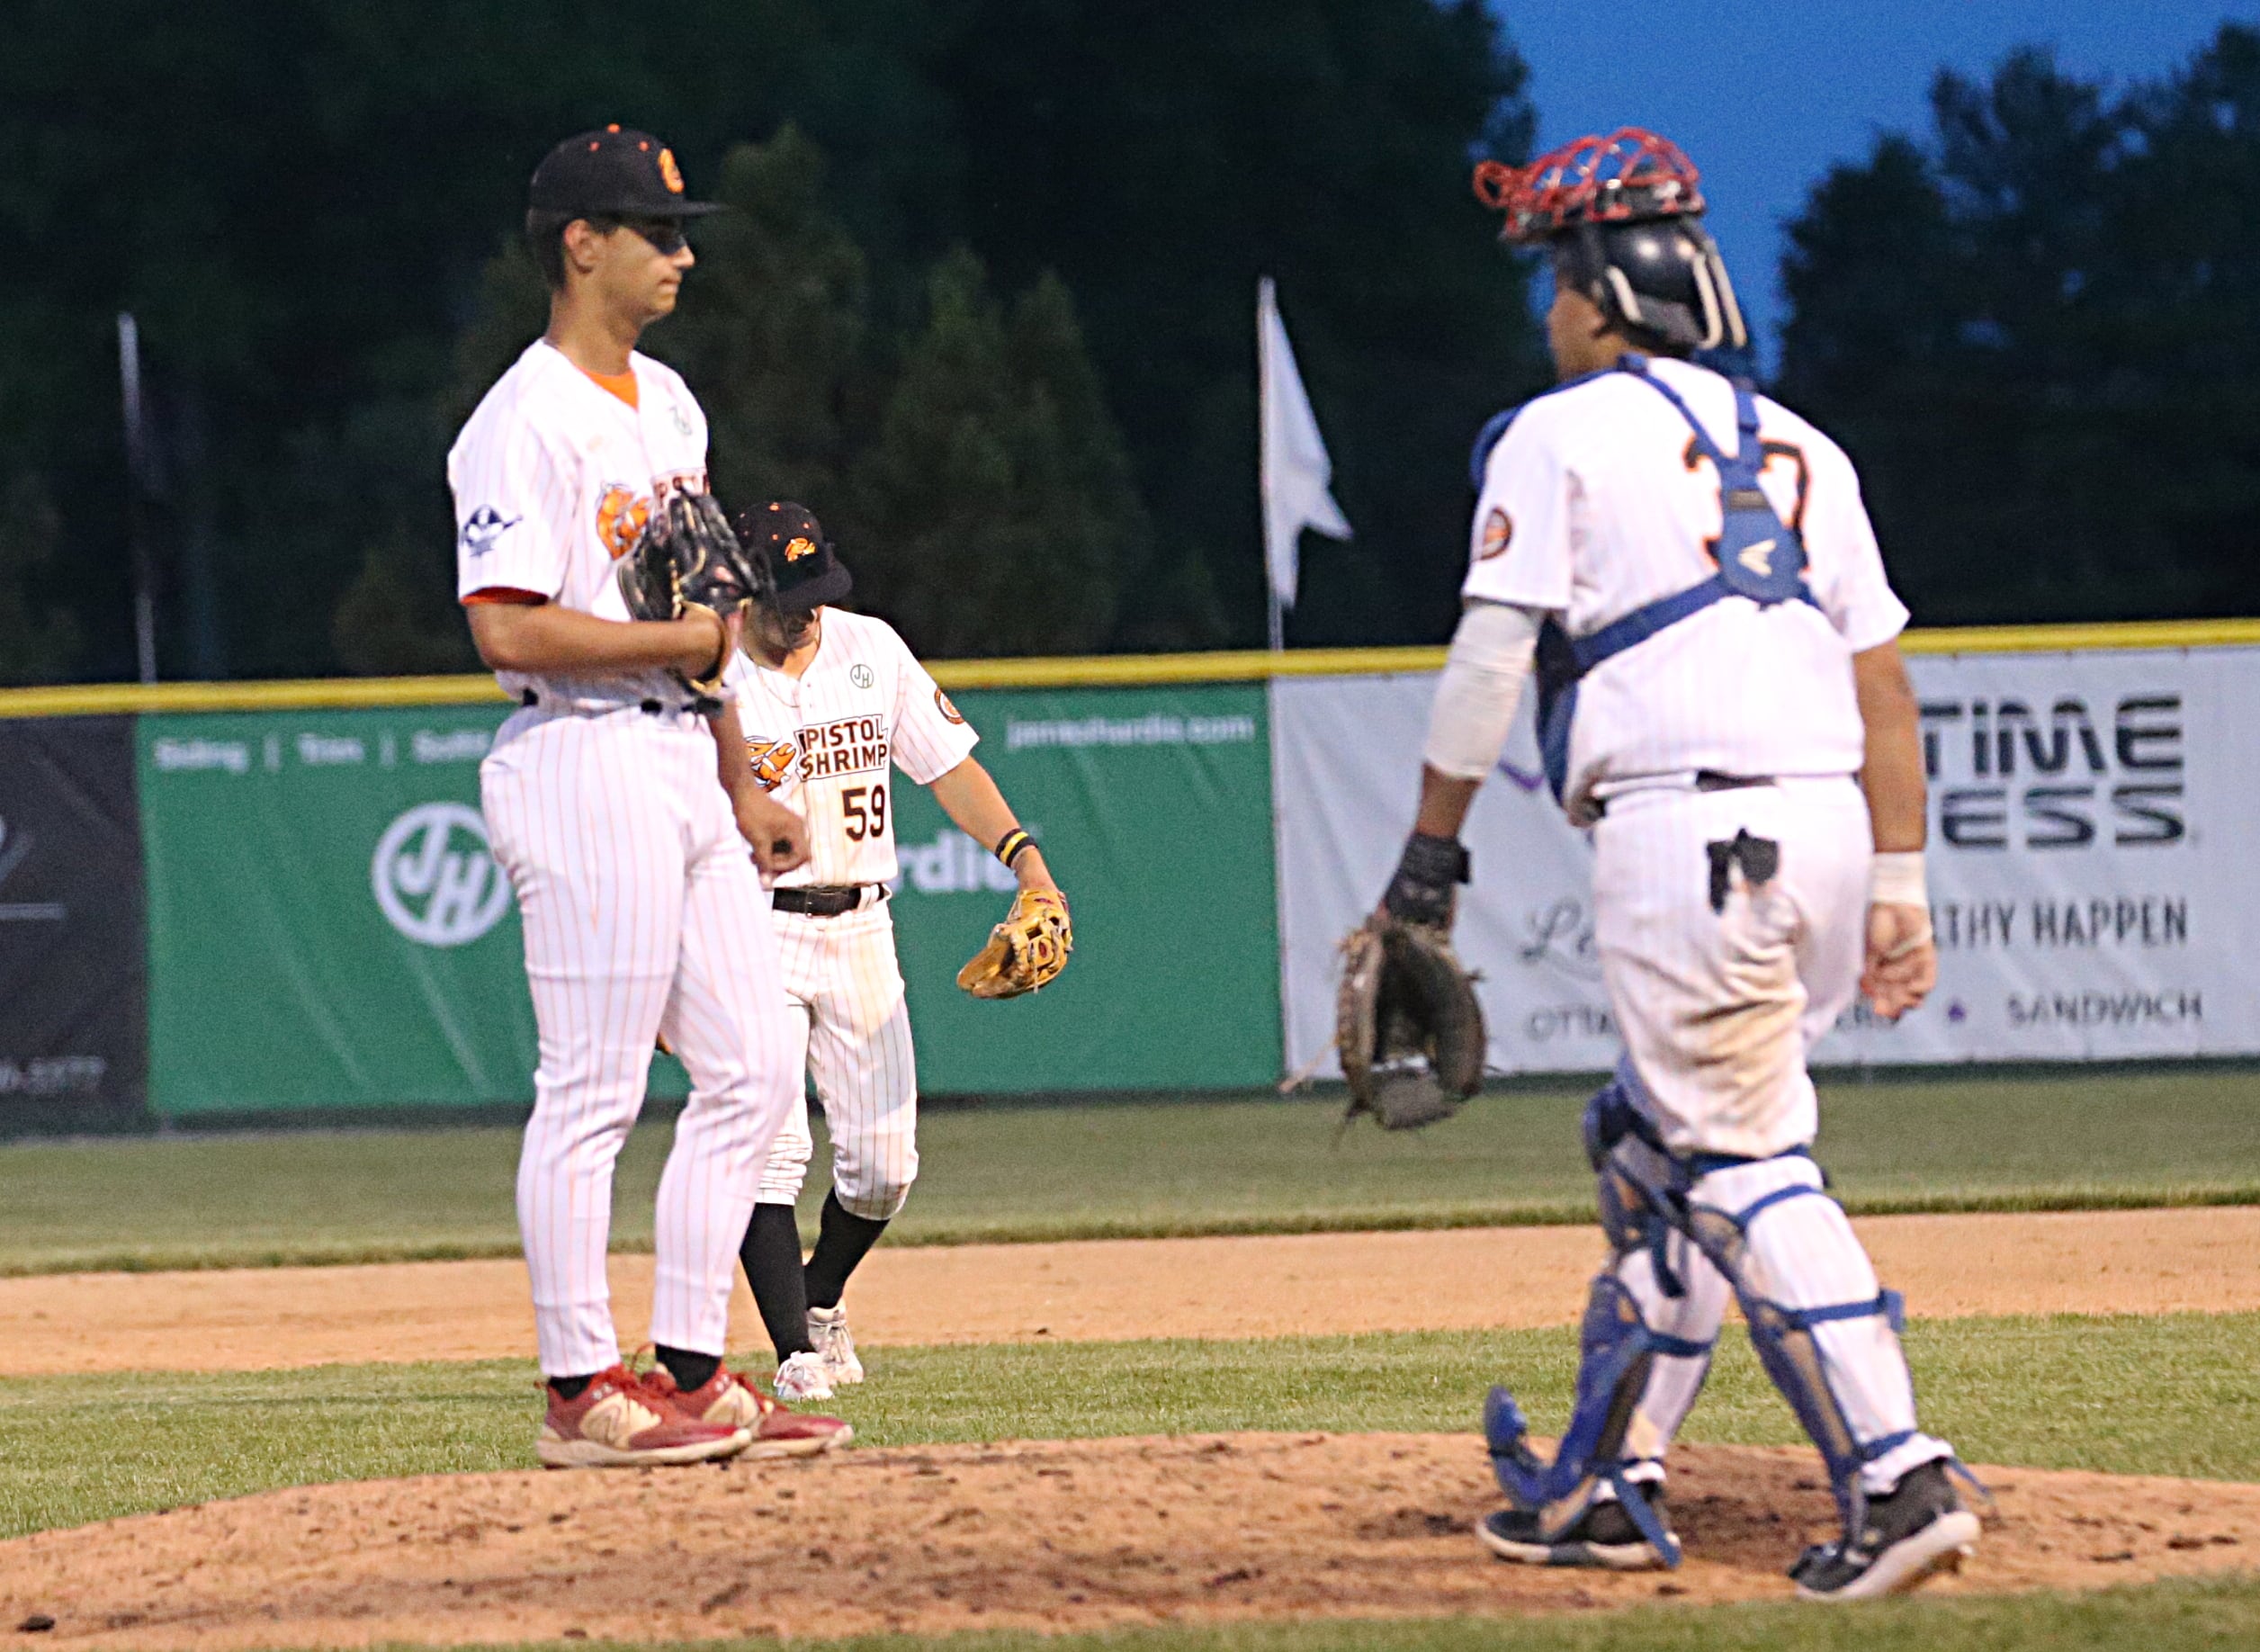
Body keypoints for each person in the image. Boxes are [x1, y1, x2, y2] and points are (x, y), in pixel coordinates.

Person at [1384, 129, 1977, 1597]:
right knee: (1657, 1152)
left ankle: (1896, 1475)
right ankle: (1603, 1479)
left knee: (1732, 1157)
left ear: (1606, 291)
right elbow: (1883, 690)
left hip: (1688, 829)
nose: (1546, 312)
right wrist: (1898, 889)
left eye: (1555, 284)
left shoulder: (1556, 429)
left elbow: (1485, 663)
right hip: (1826, 828)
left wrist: (1423, 861)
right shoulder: (1804, 446)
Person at [450, 126, 847, 1468]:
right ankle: (579, 1388)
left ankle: (689, 1370)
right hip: (579, 756)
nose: (681, 254)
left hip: (682, 757)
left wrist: (740, 774)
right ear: (581, 243)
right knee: (595, 1091)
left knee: (753, 1067)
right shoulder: (522, 422)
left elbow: (709, 610)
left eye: (681, 233)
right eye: (656, 232)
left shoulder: (670, 407)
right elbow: (506, 629)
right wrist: (680, 653)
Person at [722, 503, 1063, 1400]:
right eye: (786, 594)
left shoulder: (869, 646)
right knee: (768, 1150)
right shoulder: (707, 671)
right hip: (750, 926)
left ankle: (820, 1297)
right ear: (743, 583)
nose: (805, 612)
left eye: (815, 591)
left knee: (882, 1170)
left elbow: (948, 767)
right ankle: (795, 1356)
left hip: (862, 925)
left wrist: (1030, 867)